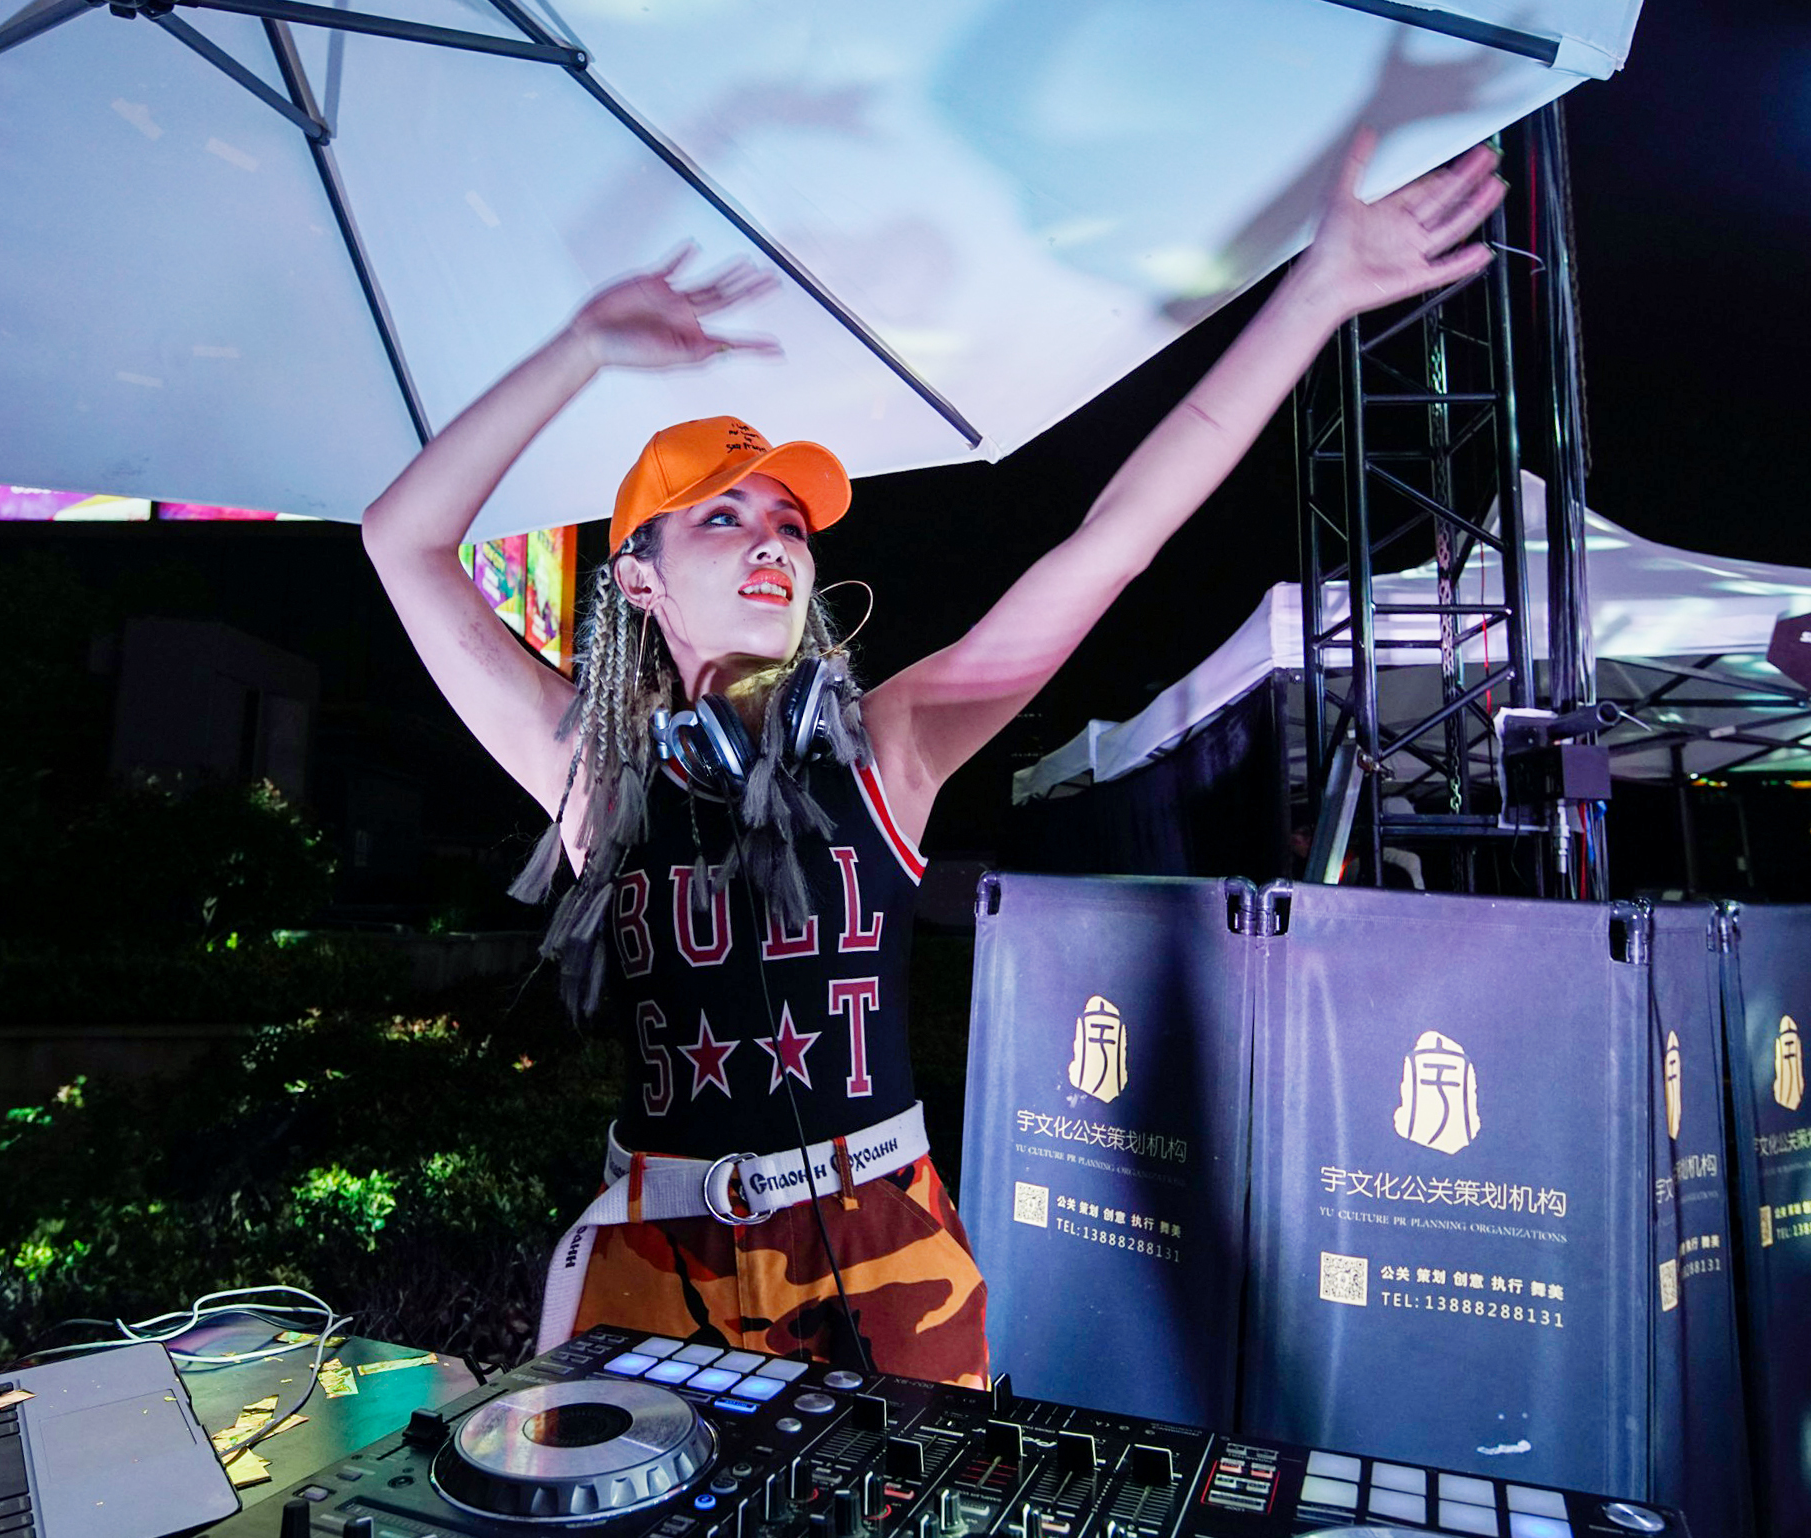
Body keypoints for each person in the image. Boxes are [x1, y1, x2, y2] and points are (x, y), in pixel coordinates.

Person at [361, 133, 1506, 1385]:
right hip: (652, 1254)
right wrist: (580, 348)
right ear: (638, 578)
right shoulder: (593, 770)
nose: (771, 542)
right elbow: (401, 539)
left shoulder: (891, 743)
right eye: (722, 516)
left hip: (882, 1248)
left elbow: (1113, 539)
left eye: (788, 521)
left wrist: (1313, 295)